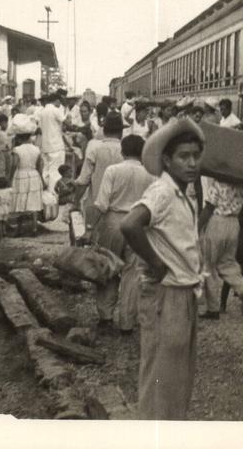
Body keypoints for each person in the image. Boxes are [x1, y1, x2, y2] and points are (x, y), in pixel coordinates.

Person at [119, 118, 205, 420]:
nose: (192, 163)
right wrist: (156, 263)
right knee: (161, 380)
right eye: (184, 156)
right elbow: (129, 224)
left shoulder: (181, 192)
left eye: (196, 155)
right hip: (166, 295)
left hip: (182, 293)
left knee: (176, 379)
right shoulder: (163, 192)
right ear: (167, 160)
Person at [86, 135, 156, 333]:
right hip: (137, 224)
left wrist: (90, 228)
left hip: (113, 222)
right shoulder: (150, 174)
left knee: (107, 268)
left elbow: (101, 204)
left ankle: (105, 316)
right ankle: (127, 321)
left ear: (122, 151)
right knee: (132, 273)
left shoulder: (113, 170)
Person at [198, 174, 243, 319]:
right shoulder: (242, 184)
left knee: (208, 265)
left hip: (218, 222)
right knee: (227, 262)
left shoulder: (218, 183)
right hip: (234, 223)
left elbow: (209, 207)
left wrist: (197, 227)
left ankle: (212, 308)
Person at [74, 112, 124, 230]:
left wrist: (75, 202)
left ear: (104, 131)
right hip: (120, 208)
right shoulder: (126, 149)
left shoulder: (94, 148)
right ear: (121, 132)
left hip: (97, 205)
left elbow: (83, 180)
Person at [10, 130, 46, 236]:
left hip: (21, 175)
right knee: (33, 201)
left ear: (20, 139)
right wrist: (42, 179)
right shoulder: (36, 149)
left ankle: (19, 229)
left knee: (20, 200)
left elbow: (14, 165)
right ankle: (34, 228)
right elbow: (40, 166)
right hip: (34, 175)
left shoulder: (17, 149)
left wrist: (10, 177)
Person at [37, 92, 67, 190]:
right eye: (60, 101)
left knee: (46, 170)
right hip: (56, 145)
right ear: (57, 100)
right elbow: (66, 122)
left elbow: (40, 129)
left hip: (45, 146)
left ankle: (46, 190)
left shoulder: (43, 111)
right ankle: (52, 192)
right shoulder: (55, 110)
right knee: (55, 171)